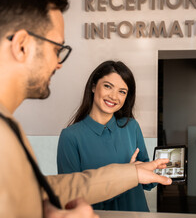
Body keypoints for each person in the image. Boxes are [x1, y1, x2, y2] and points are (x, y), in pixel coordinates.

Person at [0, 0, 172, 218]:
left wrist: (132, 174)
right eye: (56, 48)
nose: (59, 63)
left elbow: (36, 191)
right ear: (21, 45)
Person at [57, 60, 155, 212]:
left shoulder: (131, 126)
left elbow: (148, 182)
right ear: (94, 86)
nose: (114, 96)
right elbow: (70, 197)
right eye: (108, 86)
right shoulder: (70, 136)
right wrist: (128, 175)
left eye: (122, 91)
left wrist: (153, 171)